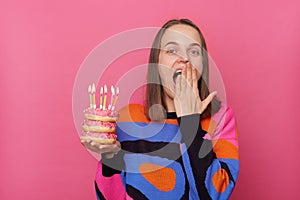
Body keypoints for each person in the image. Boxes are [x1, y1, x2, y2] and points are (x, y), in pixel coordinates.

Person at [81, 19, 239, 200]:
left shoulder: (221, 118)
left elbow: (215, 195)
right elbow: (109, 197)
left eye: (194, 51)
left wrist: (190, 121)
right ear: (157, 63)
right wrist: (110, 157)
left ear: (202, 65)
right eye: (172, 50)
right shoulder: (128, 118)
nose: (184, 58)